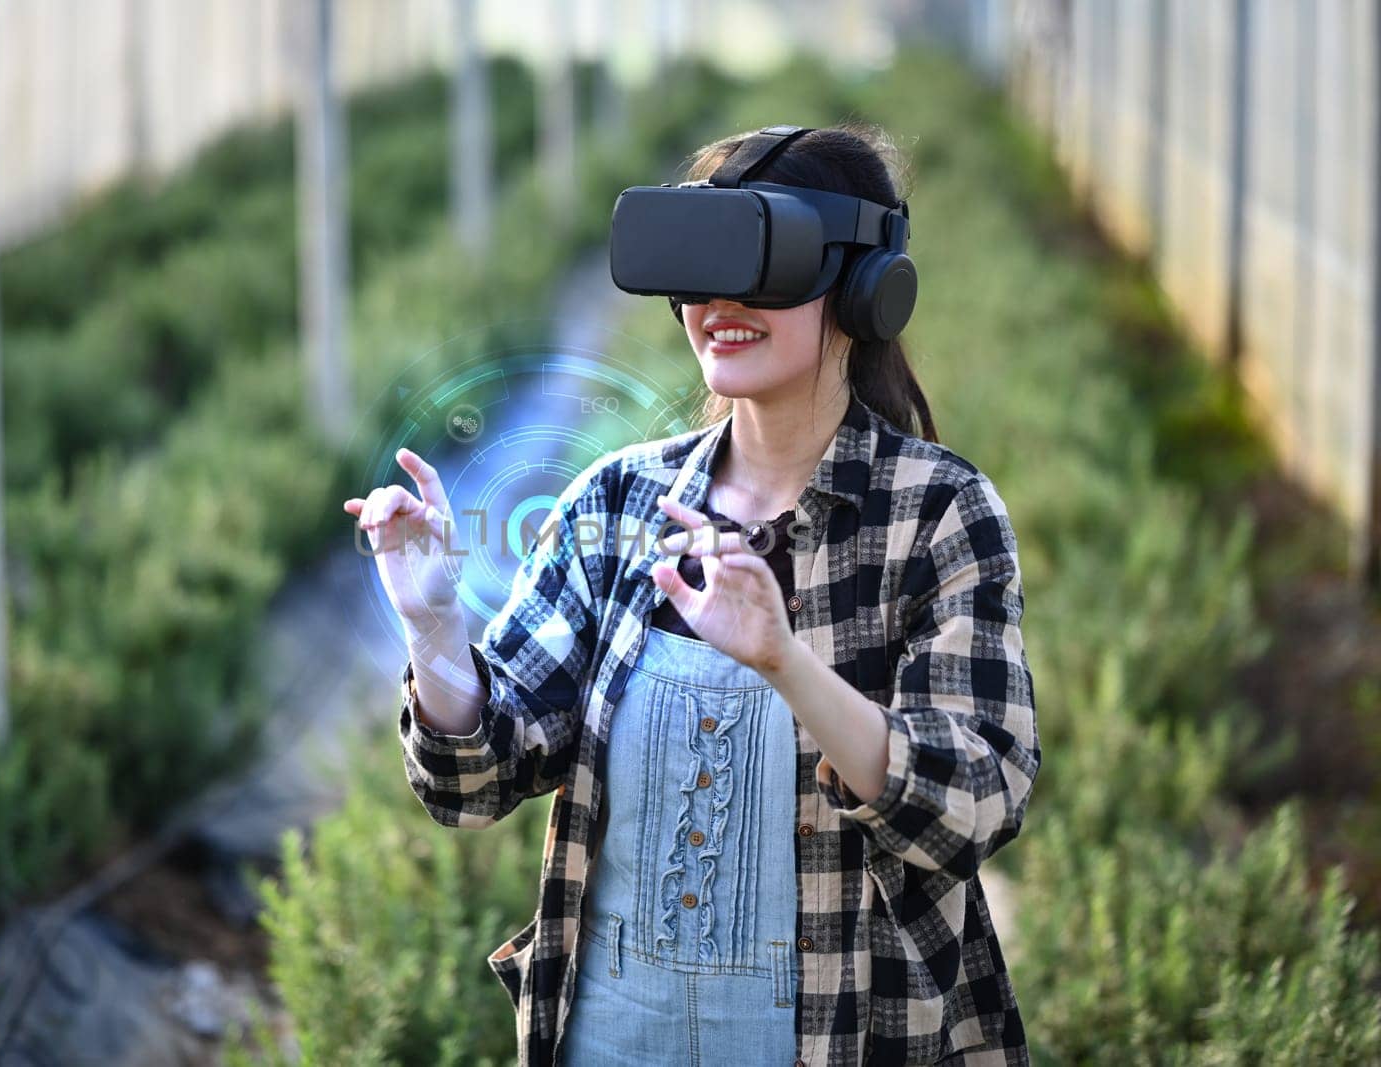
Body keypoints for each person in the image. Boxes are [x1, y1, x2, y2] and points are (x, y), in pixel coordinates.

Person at [344, 121, 1039, 1066]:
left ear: (868, 283)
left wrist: (787, 664)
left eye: (763, 263)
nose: (719, 302)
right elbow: (478, 776)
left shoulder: (937, 515)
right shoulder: (620, 504)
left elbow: (974, 804)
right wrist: (434, 633)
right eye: (697, 263)